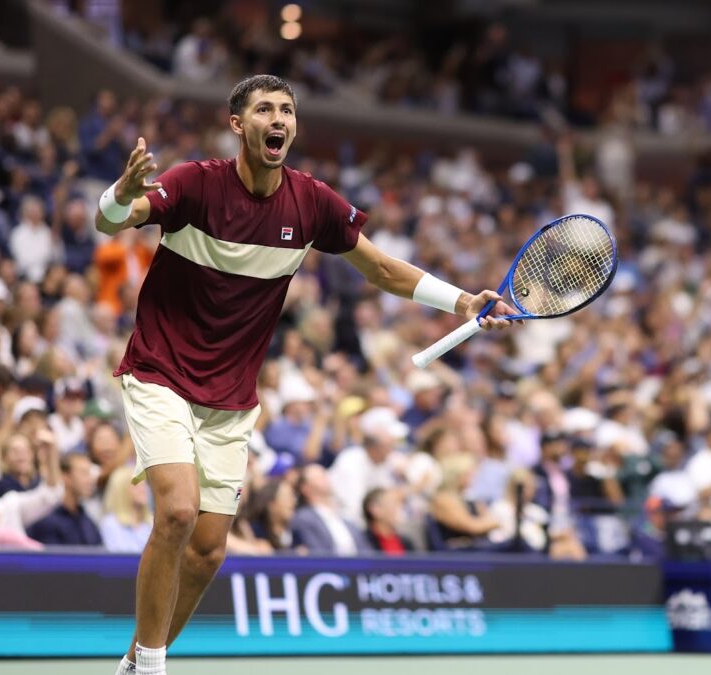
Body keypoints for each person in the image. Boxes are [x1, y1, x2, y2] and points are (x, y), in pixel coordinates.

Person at [93, 74, 515, 675]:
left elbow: (383, 270)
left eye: (287, 110)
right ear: (238, 124)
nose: (279, 119)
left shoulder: (311, 201)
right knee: (179, 513)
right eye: (265, 109)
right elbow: (111, 223)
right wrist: (117, 193)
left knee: (209, 550)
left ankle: (137, 658)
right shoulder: (194, 183)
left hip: (232, 396)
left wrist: (462, 303)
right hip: (161, 371)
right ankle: (154, 667)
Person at [328, 406, 408, 528]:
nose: (392, 451)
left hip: (372, 525)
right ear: (374, 446)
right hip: (348, 524)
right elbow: (352, 508)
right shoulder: (350, 461)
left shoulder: (386, 463)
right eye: (388, 447)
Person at [290, 463, 369, 555]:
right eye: (319, 477)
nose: (326, 479)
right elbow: (317, 554)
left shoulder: (347, 520)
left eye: (325, 474)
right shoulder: (304, 518)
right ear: (305, 488)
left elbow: (366, 551)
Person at [27, 453, 102, 547]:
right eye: (84, 473)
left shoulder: (87, 520)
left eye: (89, 474)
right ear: (66, 477)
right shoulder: (46, 520)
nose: (89, 480)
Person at [101, 464, 153, 553]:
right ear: (121, 490)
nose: (143, 489)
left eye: (144, 484)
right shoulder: (111, 524)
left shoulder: (153, 523)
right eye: (137, 484)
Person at [363, 487, 412, 555]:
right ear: (375, 509)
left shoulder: (407, 543)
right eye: (391, 504)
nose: (396, 509)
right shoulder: (363, 542)